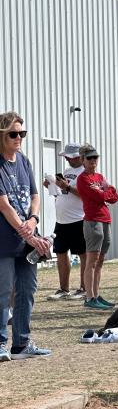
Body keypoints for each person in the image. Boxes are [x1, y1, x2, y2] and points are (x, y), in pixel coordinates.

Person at [0, 111, 52, 361]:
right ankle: (0, 344)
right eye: (13, 133)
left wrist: (33, 219)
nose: (19, 137)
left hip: (27, 237)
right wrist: (29, 234)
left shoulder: (23, 161)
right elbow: (4, 205)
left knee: (27, 289)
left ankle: (20, 344)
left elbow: (35, 195)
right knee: (3, 290)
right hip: (5, 240)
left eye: (22, 133)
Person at [76, 144, 118, 310]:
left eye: (95, 157)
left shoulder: (99, 177)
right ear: (83, 160)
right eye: (89, 158)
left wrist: (107, 192)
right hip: (93, 220)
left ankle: (96, 294)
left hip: (105, 219)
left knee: (100, 260)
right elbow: (100, 196)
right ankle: (89, 297)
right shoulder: (83, 179)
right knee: (92, 261)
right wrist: (106, 193)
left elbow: (114, 196)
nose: (93, 161)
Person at [43, 143, 87, 300]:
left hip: (79, 219)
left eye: (71, 157)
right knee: (61, 253)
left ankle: (84, 288)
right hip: (61, 220)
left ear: (80, 156)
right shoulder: (67, 172)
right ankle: (63, 289)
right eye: (67, 157)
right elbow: (62, 194)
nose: (68, 160)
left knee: (83, 254)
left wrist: (66, 186)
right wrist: (52, 187)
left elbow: (85, 195)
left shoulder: (86, 173)